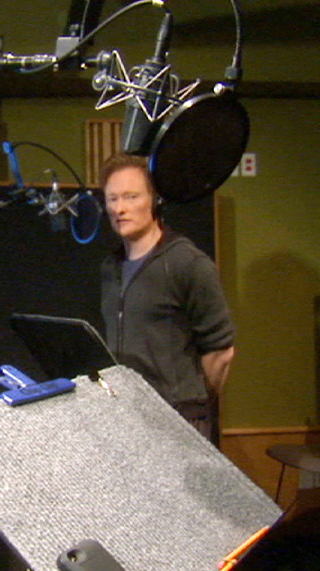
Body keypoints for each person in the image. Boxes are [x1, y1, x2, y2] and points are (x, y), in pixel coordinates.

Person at [98, 153, 235, 445]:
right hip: (127, 417)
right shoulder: (111, 268)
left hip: (177, 420)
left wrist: (192, 402)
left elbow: (221, 352)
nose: (120, 208)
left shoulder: (188, 263)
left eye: (131, 197)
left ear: (155, 200)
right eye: (112, 199)